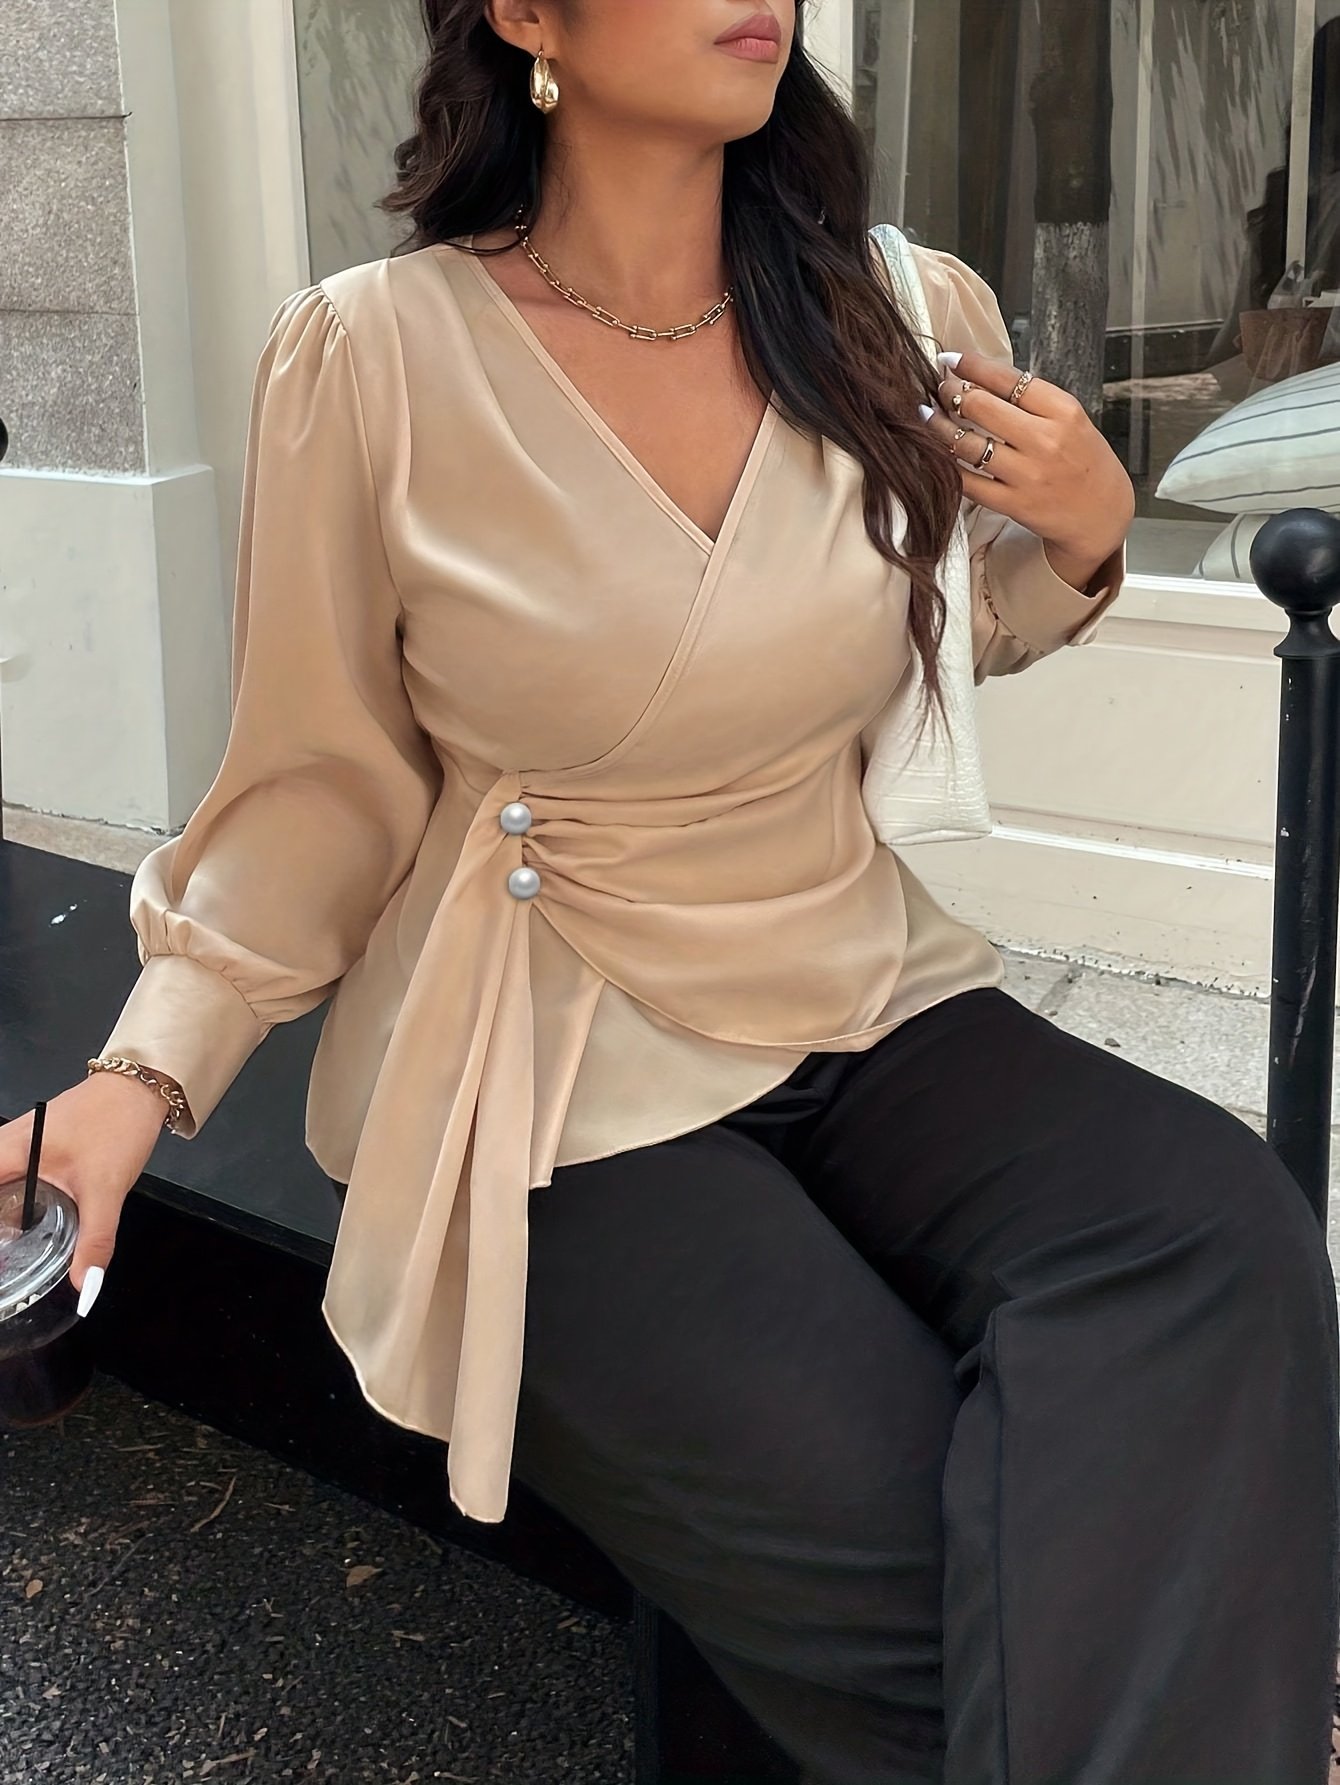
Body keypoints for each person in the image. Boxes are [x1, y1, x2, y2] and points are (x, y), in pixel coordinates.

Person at [3, 4, 1335, 1780]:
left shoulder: (897, 313)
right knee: (970, 1582)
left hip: (851, 972)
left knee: (1217, 1230)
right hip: (544, 1046)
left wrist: (1085, 539)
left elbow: (944, 628)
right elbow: (319, 788)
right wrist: (140, 1070)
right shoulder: (376, 357)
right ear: (525, 18)